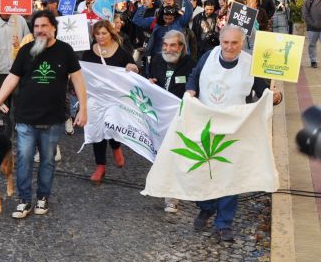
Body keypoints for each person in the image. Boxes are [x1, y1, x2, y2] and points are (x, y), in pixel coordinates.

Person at [185, 25, 283, 242]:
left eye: (234, 43)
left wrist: (274, 96)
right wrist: (190, 90)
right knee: (203, 171)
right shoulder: (208, 56)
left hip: (234, 128)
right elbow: (194, 76)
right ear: (220, 41)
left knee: (229, 175)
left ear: (242, 43)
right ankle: (206, 207)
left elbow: (263, 90)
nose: (229, 47)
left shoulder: (250, 64)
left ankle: (224, 223)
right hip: (206, 124)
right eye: (225, 42)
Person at [0, 11, 87, 218]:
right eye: (36, 27)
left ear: (53, 28)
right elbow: (11, 80)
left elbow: (77, 80)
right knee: (23, 160)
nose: (39, 30)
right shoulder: (25, 51)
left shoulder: (65, 51)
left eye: (44, 26)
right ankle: (24, 200)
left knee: (47, 160)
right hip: (26, 118)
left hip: (53, 119)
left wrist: (83, 108)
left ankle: (43, 197)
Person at [81, 20, 138, 183]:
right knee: (96, 129)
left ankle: (115, 145)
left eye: (104, 33)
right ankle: (100, 166)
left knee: (111, 124)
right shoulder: (89, 52)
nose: (100, 36)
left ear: (111, 34)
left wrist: (132, 67)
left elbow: (133, 67)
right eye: (97, 34)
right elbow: (81, 72)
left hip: (115, 98)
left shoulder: (120, 51)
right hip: (95, 97)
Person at [146, 30, 196, 213]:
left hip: (179, 119)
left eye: (173, 45)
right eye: (165, 45)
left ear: (181, 47)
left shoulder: (191, 65)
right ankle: (159, 185)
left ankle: (171, 198)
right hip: (158, 118)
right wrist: (149, 81)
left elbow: (195, 87)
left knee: (173, 155)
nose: (168, 49)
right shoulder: (157, 60)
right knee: (159, 155)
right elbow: (151, 79)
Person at [302, 0, 321, 68]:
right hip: (313, 27)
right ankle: (313, 61)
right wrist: (311, 23)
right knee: (312, 44)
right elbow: (305, 13)